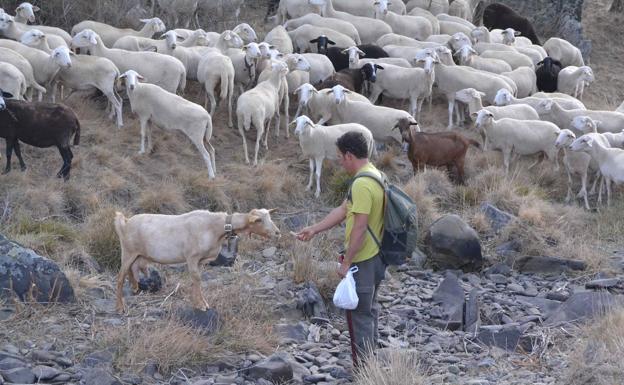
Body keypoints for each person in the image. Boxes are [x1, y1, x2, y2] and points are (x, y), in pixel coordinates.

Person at [295, 131, 386, 366]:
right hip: (377, 257)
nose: (339, 162)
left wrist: (347, 262)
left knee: (359, 315)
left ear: (349, 155)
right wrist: (315, 229)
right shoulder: (375, 175)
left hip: (364, 259)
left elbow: (360, 227)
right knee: (369, 309)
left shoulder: (362, 184)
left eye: (339, 157)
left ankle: (364, 371)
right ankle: (371, 363)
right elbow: (344, 210)